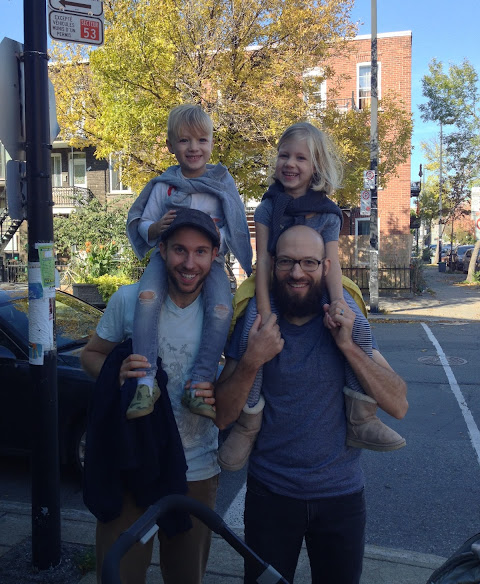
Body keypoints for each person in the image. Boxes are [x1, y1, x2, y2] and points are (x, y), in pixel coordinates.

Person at [216, 225, 408, 584]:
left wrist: (348, 347)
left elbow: (398, 403)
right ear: (273, 266)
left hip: (341, 497)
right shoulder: (255, 325)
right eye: (286, 261)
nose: (297, 272)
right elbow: (223, 416)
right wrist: (252, 360)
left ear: (325, 267)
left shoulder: (344, 321)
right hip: (270, 496)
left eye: (309, 262)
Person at [218, 122, 405, 471]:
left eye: (300, 158)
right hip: (272, 284)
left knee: (357, 326)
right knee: (250, 333)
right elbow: (264, 262)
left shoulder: (328, 212)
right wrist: (264, 312)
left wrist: (339, 305)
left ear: (316, 166)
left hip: (322, 284)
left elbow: (331, 265)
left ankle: (361, 416)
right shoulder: (268, 207)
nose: (290, 163)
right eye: (284, 155)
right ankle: (247, 424)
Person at [81, 209, 224, 584]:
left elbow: (237, 379)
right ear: (162, 250)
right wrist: (115, 373)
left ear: (214, 255)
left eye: (200, 251)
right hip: (131, 463)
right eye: (179, 250)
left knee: (186, 578)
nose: (189, 263)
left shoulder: (224, 313)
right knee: (120, 576)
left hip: (197, 468)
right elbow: (90, 355)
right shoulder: (129, 300)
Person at [126, 103, 252, 420]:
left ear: (212, 143)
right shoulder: (163, 186)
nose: (193, 147)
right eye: (184, 140)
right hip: (166, 257)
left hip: (211, 261)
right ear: (170, 146)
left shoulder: (222, 183)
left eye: (201, 140)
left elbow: (234, 225)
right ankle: (145, 382)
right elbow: (143, 222)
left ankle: (199, 383)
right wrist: (155, 228)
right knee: (146, 297)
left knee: (222, 309)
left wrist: (217, 238)